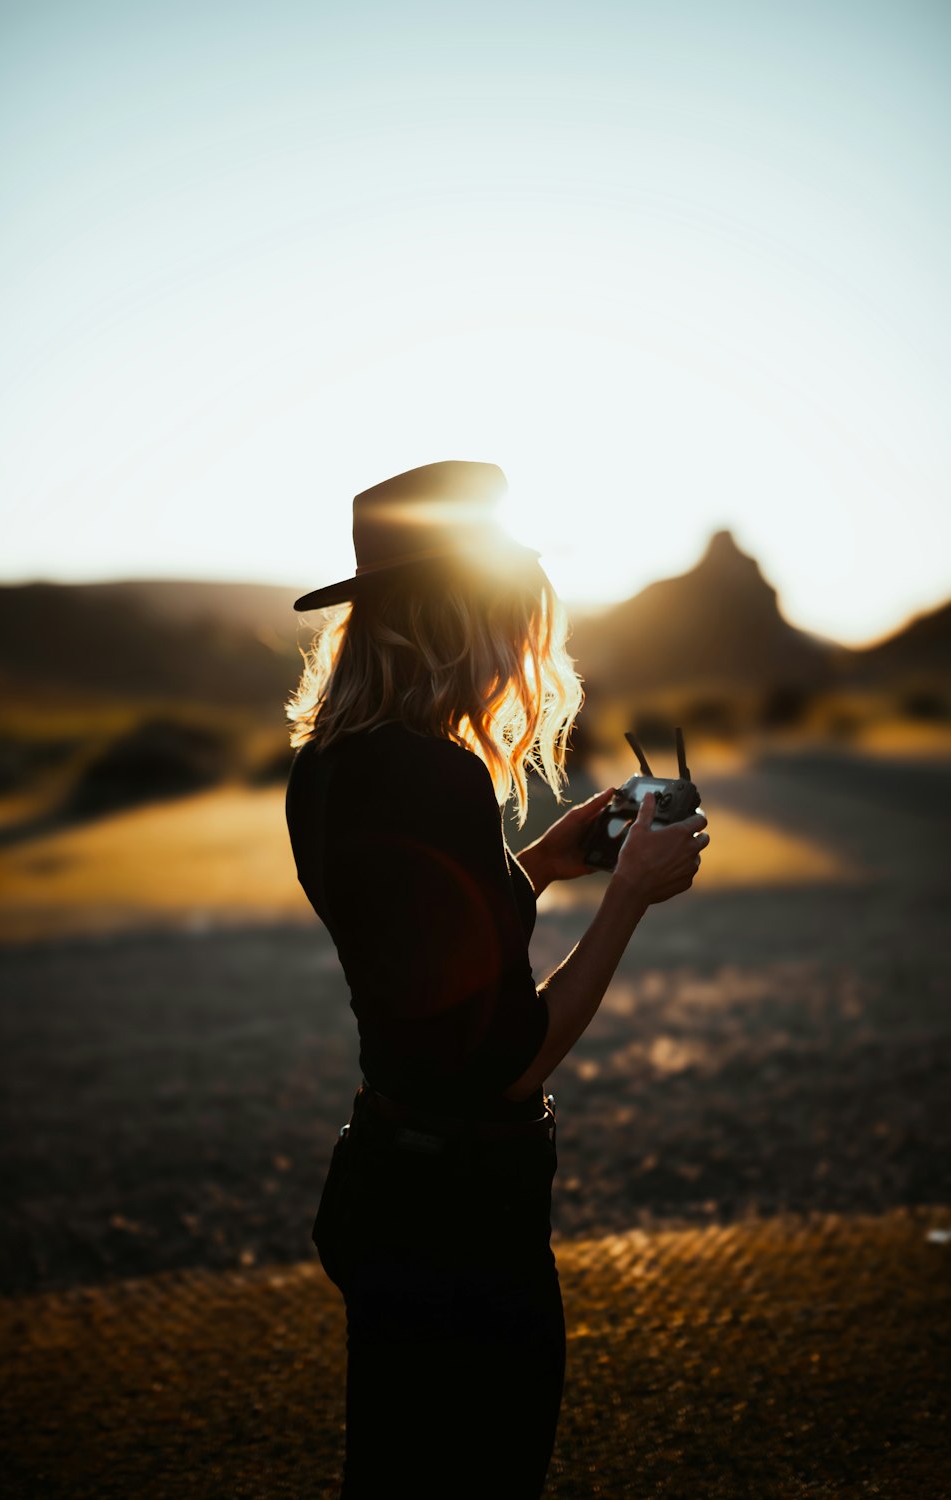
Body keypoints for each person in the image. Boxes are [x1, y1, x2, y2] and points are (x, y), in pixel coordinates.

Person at [285, 461, 709, 1500]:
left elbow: (417, 951)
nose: (525, 644)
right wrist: (626, 897)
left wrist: (547, 863)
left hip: (386, 1181)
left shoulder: (334, 763)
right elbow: (503, 1062)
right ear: (460, 616)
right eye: (515, 615)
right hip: (460, 1220)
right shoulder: (435, 773)